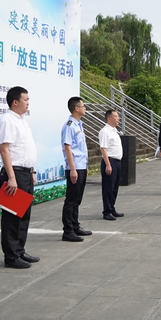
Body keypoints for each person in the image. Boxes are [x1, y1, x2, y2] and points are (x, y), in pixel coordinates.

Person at [0, 86, 39, 269]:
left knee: (24, 215)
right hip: (15, 174)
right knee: (12, 217)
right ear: (15, 102)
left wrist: (32, 171)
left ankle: (20, 250)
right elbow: (4, 149)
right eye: (25, 100)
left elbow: (25, 149)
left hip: (25, 173)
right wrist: (11, 177)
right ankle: (11, 256)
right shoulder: (6, 120)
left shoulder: (22, 120)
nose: (28, 103)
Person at [61, 96, 92, 242]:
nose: (85, 108)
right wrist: (72, 169)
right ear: (76, 108)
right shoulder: (69, 125)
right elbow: (68, 148)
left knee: (77, 199)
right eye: (83, 106)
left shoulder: (79, 124)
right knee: (71, 200)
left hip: (81, 166)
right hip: (74, 167)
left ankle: (75, 225)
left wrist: (85, 166)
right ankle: (68, 231)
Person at [99, 109, 124, 221]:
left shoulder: (114, 131)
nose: (118, 118)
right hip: (110, 161)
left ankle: (112, 207)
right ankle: (107, 211)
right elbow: (103, 149)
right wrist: (108, 164)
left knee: (114, 187)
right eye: (116, 116)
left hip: (117, 162)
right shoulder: (105, 131)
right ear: (109, 118)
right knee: (108, 187)